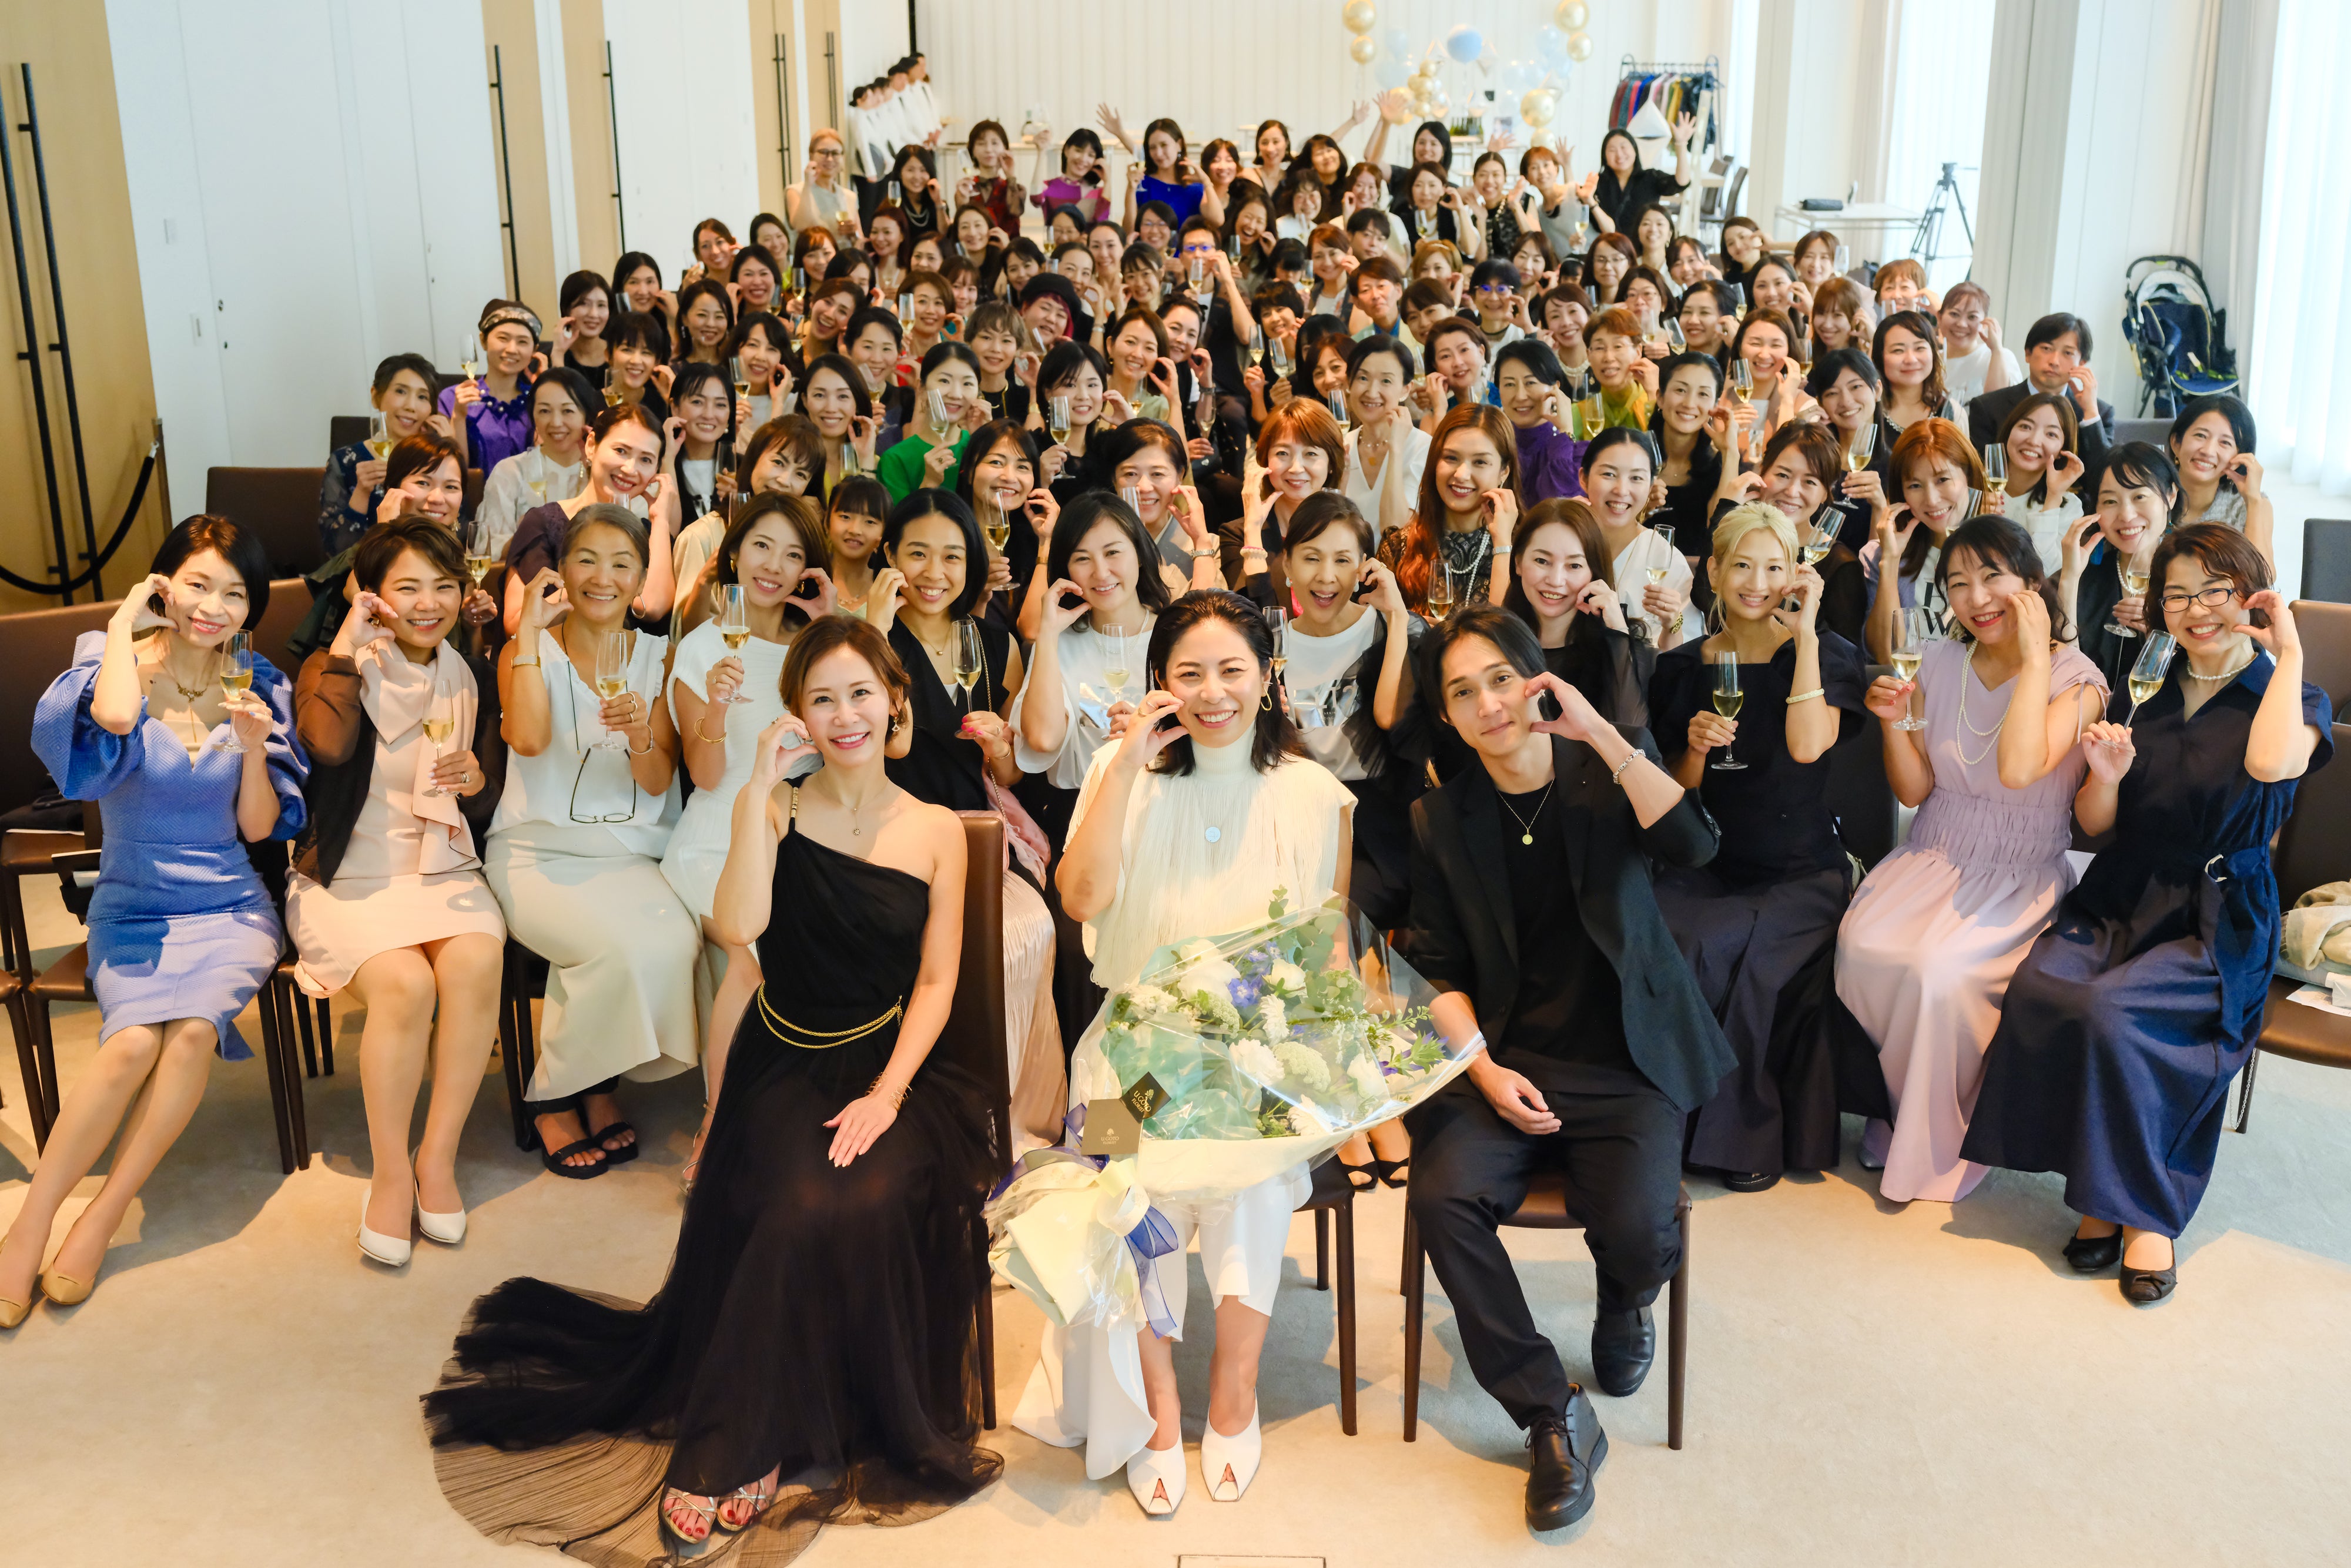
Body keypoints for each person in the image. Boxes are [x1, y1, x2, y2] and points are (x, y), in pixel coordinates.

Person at [426, 614, 997, 1556]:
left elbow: (937, 984)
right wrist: (755, 794)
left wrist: (888, 1095)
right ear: (797, 714)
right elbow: (739, 936)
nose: (846, 716)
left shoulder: (938, 830)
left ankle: (797, 1418)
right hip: (786, 1054)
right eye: (822, 699)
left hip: (888, 1065)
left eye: (861, 693)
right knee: (791, 1202)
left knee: (865, 1195)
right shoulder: (774, 808)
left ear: (895, 700)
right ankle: (745, 1436)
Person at [1014, 591, 1355, 1516]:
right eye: (1190, 673)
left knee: (1252, 1184)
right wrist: (1127, 762)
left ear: (1266, 677)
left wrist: (1319, 1060)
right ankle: (1159, 1407)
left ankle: (1235, 1392)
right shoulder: (1119, 772)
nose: (1213, 692)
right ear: (1160, 682)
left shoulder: (1313, 793)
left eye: (1232, 670)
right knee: (1128, 1179)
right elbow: (1080, 900)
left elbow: (1325, 946)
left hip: (1258, 1052)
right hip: (1129, 1053)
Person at [1399, 603, 1730, 1532]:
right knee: (1441, 1200)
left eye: (1501, 679)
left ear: (1535, 678)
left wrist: (1604, 735)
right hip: (1509, 1062)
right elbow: (1437, 968)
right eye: (1462, 693)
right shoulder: (1440, 818)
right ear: (1447, 715)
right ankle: (1551, 1412)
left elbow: (1695, 847)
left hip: (1626, 1057)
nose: (1489, 705)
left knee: (1637, 1232)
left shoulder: (1607, 772)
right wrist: (1482, 1072)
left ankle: (1625, 1301)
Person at [1962, 525, 2332, 1302]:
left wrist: (2291, 650)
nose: (2196, 610)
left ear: (2252, 597)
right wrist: (2104, 773)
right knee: (2043, 988)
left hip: (2219, 913)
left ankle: (2141, 1215)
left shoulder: (2293, 695)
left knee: (2115, 1012)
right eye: (2177, 595)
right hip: (2125, 892)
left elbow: (2269, 763)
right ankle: (2100, 1190)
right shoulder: (2147, 685)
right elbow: (2097, 823)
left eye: (2215, 591)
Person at [6, 520, 303, 1325]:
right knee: (135, 1041)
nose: (214, 607)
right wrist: (119, 621)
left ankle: (102, 1218)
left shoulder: (255, 679)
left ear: (252, 607)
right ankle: (30, 1224)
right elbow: (111, 720)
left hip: (230, 907)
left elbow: (257, 828)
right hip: (133, 905)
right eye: (198, 584)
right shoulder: (110, 663)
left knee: (194, 1032)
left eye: (235, 593)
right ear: (163, 584)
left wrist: (253, 747)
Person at [1836, 515, 2108, 1202]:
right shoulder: (1935, 659)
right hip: (1934, 850)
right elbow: (1913, 789)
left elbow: (2019, 770)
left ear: (2032, 584)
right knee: (1864, 948)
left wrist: (2037, 658)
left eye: (1992, 576)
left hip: (2019, 869)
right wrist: (1894, 725)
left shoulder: (2078, 681)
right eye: (1957, 583)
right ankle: (1903, 1105)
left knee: (1941, 971)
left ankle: (1943, 1134)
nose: (1976, 597)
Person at [286, 520, 506, 1263]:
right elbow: (326, 746)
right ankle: (388, 1173)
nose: (429, 603)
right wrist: (348, 648)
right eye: (408, 587)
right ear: (374, 593)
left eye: (444, 585)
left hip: (440, 868)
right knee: (406, 984)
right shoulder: (333, 665)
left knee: (476, 959)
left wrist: (475, 779)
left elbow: (483, 792)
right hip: (351, 876)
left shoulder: (467, 673)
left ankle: (435, 1158)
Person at [1652, 505, 1870, 1189]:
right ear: (1713, 570)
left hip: (1800, 869)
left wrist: (1804, 635)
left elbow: (1807, 747)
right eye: (1741, 565)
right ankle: (1652, 1129)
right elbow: (1676, 793)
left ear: (1795, 574)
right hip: (1709, 859)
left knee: (1737, 956)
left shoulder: (1827, 653)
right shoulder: (1681, 666)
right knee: (1669, 937)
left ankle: (1742, 1138)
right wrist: (1694, 748)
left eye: (1774, 567)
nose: (1757, 582)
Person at [491, 505, 698, 1174]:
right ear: (560, 570)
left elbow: (658, 777)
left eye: (621, 564)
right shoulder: (527, 650)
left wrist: (639, 734)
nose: (602, 577)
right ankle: (558, 1096)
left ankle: (596, 1083)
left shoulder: (662, 658)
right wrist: (528, 631)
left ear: (640, 580)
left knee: (674, 940)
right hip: (537, 852)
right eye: (587, 560)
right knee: (610, 945)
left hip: (632, 853)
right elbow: (528, 740)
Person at [865, 490, 1066, 1145]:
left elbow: (1008, 777)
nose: (934, 572)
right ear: (890, 555)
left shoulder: (992, 640)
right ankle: (924, 1112)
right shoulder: (867, 638)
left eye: (952, 556)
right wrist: (872, 627)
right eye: (917, 553)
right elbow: (863, 740)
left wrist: (1001, 748)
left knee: (1026, 935)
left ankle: (1012, 1116)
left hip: (978, 836)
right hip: (892, 835)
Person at [662, 495, 831, 1185]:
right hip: (714, 839)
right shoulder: (702, 647)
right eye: (762, 546)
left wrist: (830, 629)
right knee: (755, 953)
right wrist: (719, 702)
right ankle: (718, 1123)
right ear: (734, 553)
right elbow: (705, 776)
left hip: (795, 835)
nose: (775, 566)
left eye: (793, 554)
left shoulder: (815, 646)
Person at [500, 403, 678, 636]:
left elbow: (652, 607)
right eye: (621, 451)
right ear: (591, 445)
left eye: (646, 460)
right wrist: (584, 585)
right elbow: (515, 624)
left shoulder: (651, 533)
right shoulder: (543, 523)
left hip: (628, 658)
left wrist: (660, 519)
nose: (630, 468)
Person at [1501, 498, 1654, 728]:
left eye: (1574, 566)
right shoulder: (1495, 641)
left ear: (1594, 573)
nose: (1556, 580)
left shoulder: (1622, 646)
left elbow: (1632, 735)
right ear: (1518, 563)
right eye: (1542, 561)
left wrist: (1618, 633)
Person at [2057, 441, 2180, 696]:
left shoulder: (2197, 580)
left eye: (2139, 497)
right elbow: (2064, 672)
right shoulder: (2086, 578)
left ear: (2170, 496)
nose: (2126, 515)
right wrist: (2069, 580)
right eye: (2110, 501)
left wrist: (2159, 635)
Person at [1377, 404, 1521, 618]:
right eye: (1451, 458)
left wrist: (1502, 545)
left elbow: (1508, 629)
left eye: (1480, 462)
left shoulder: (1523, 551)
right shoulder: (1398, 547)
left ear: (1503, 472)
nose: (1462, 474)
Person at [1965, 312, 2115, 487]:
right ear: (2028, 354)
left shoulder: (2098, 414)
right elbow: (1978, 475)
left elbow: (2103, 480)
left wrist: (2091, 414)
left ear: (2081, 364)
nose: (2054, 361)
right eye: (2046, 349)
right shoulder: (1988, 407)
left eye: (2068, 353)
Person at [320, 353, 442, 557]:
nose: (411, 406)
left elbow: (461, 533)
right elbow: (336, 551)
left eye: (422, 397)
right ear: (376, 395)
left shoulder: (436, 462)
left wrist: (448, 448)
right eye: (401, 391)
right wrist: (362, 491)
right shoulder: (344, 462)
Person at [1580, 427, 1691, 649]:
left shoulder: (1665, 558)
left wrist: (1673, 624)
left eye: (1636, 478)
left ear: (1650, 486)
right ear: (1584, 478)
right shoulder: (1560, 541)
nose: (1622, 490)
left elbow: (1681, 657)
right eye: (1609, 474)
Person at [477, 370, 591, 542]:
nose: (556, 423)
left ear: (586, 416)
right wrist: (529, 537)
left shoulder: (602, 474)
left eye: (567, 411)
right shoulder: (510, 472)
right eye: (545, 411)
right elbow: (486, 545)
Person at [1990, 391, 2089, 575]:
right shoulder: (1973, 487)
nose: (2034, 441)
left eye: (2051, 434)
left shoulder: (2069, 507)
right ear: (2009, 430)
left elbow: (2043, 572)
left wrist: (2054, 497)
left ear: (2063, 450)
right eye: (2025, 427)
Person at [876, 341, 987, 504]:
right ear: (922, 388)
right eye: (944, 381)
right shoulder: (896, 459)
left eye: (967, 384)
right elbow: (900, 519)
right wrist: (929, 482)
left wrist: (984, 441)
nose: (956, 394)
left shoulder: (982, 448)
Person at [2166, 393, 2273, 558]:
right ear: (2176, 443)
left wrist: (2253, 501)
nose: (2208, 451)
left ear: (2240, 457)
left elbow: (2264, 573)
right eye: (2200, 435)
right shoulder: (2150, 494)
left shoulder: (2251, 506)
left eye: (2225, 443)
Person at [442, 300, 541, 473]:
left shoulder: (539, 401)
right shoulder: (452, 398)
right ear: (483, 340)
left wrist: (545, 390)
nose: (512, 349)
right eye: (503, 338)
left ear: (534, 350)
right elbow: (450, 472)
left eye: (523, 342)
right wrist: (458, 417)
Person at [1494, 339, 1582, 505]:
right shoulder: (1494, 445)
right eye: (1509, 384)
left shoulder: (1577, 454)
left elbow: (1561, 507)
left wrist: (1565, 431)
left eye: (1530, 383)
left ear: (1555, 388)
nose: (1520, 396)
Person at [1585, 120, 1696, 236]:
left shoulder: (1650, 177)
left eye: (1623, 147)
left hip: (1645, 244)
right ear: (1605, 157)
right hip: (1609, 245)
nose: (1619, 155)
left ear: (1635, 150)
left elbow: (1681, 183)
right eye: (1612, 150)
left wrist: (1681, 144)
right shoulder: (1597, 183)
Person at [1873, 310, 1957, 431]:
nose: (1911, 360)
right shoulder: (1868, 411)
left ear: (1933, 353)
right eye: (1898, 350)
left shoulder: (1951, 411)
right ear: (1880, 358)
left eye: (1919, 348)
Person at [1937, 282, 2014, 410]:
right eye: (1954, 314)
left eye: (1972, 317)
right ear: (1939, 317)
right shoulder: (1929, 360)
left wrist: (1997, 351)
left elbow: (2000, 408)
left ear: (1985, 323)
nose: (1962, 324)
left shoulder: (1999, 356)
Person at [785, 126, 854, 233]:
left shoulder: (849, 196)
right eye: (824, 152)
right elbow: (801, 226)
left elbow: (860, 238)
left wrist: (853, 233)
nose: (830, 159)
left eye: (835, 153)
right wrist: (808, 185)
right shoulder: (795, 192)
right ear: (811, 155)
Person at [556, 270, 613, 390]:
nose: (594, 314)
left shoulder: (618, 354)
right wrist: (558, 354)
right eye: (584, 304)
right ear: (566, 309)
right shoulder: (556, 356)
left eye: (601, 305)